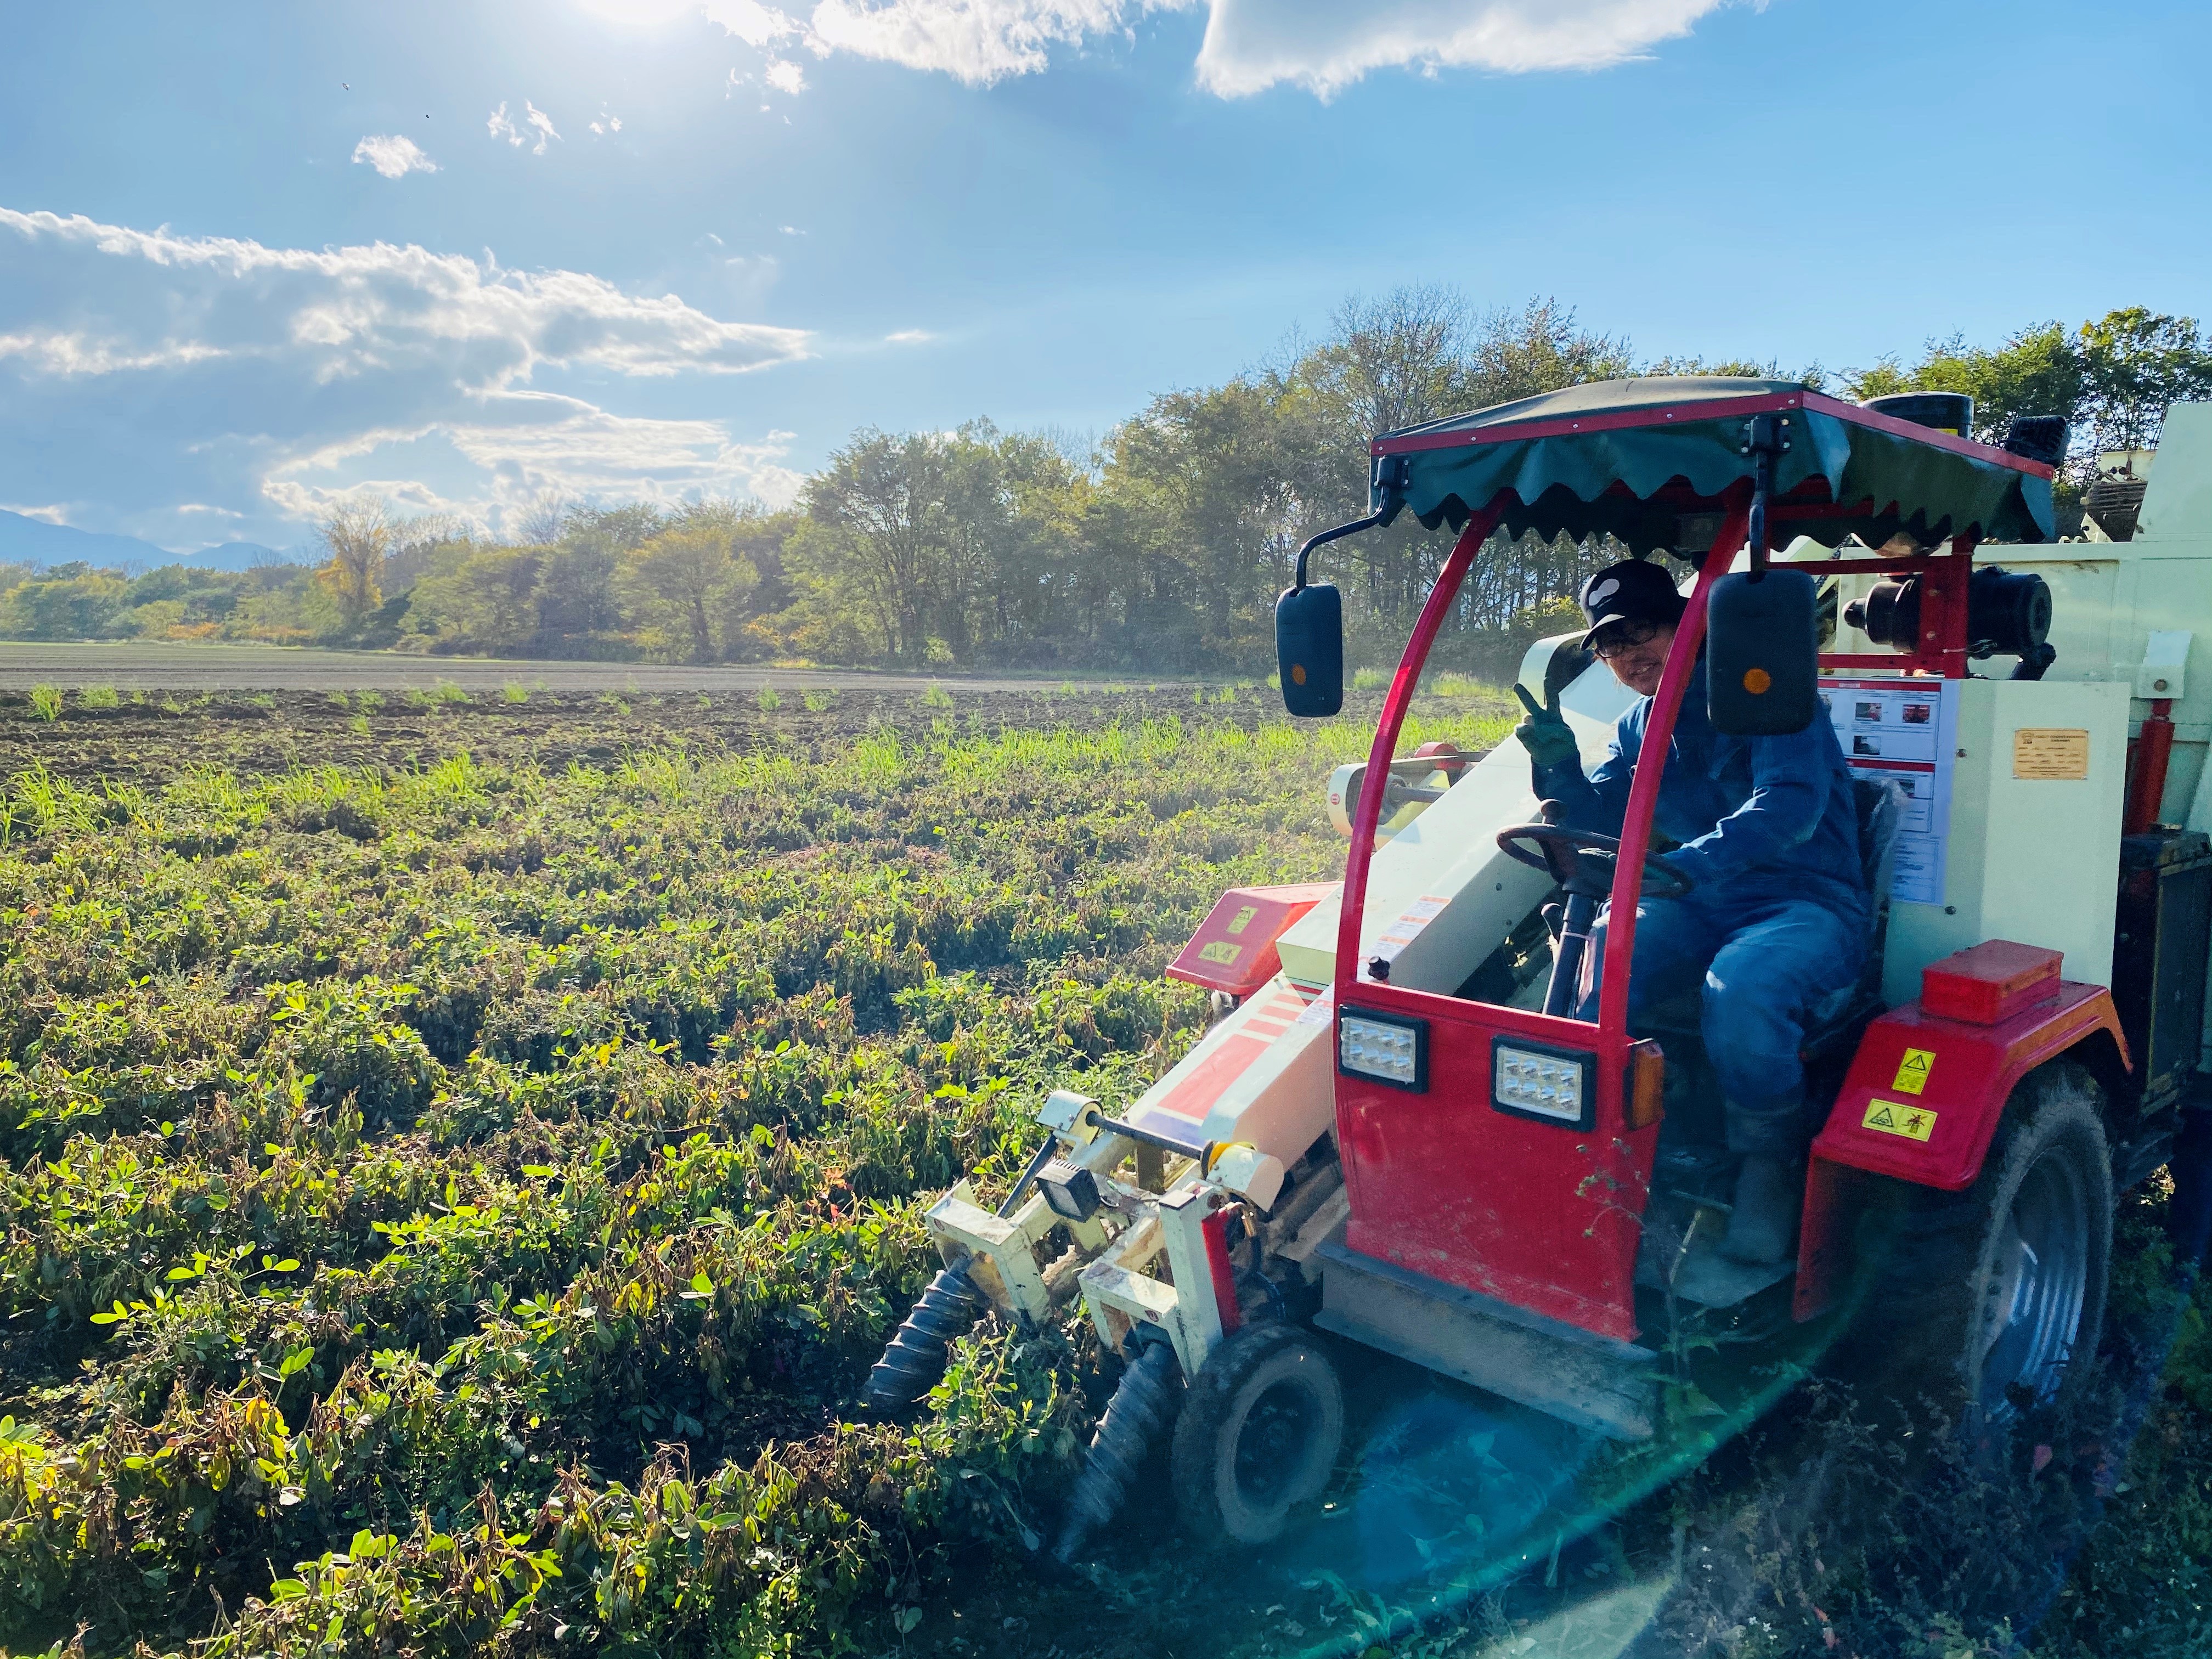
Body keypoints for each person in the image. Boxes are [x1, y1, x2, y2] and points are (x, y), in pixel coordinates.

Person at [1512, 558, 1870, 1264]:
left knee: (1746, 987)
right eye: (1610, 645)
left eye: (1642, 630)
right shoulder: (1638, 727)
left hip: (1806, 902)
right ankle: (1586, 1142)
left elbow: (1791, 806)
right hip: (1699, 898)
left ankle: (1770, 1160)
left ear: (1690, 625)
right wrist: (1557, 767)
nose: (1628, 654)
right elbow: (1599, 817)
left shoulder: (1771, 698)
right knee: (1598, 962)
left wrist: (1686, 865)